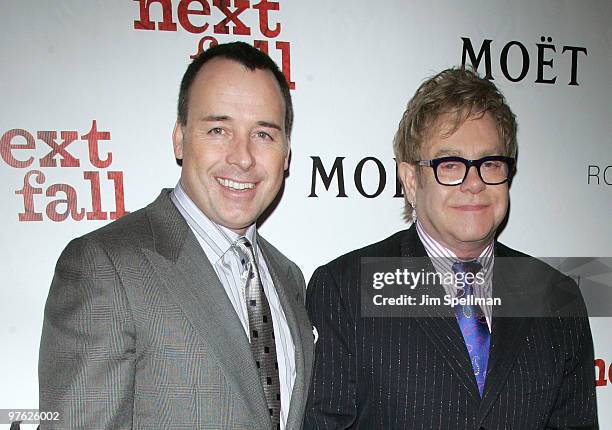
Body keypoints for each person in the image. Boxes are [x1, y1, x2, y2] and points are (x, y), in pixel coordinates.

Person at [39, 42, 313, 430]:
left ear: (286, 154)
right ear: (180, 139)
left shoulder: (288, 277)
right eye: (218, 129)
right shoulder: (105, 267)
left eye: (264, 135)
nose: (243, 157)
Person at [304, 68, 597, 429]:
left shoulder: (556, 297)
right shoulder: (346, 288)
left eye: (490, 164)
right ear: (411, 181)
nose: (474, 183)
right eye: (451, 165)